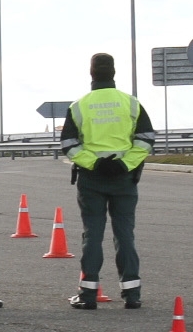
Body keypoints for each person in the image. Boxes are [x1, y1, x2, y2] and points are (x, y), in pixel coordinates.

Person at [60, 52, 156, 310]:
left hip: (91, 178)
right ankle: (132, 294)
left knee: (93, 234)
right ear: (114, 72)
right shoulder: (130, 103)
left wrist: (94, 163)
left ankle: (88, 294)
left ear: (91, 73)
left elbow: (68, 144)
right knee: (125, 234)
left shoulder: (79, 105)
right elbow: (146, 138)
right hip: (124, 178)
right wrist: (124, 164)